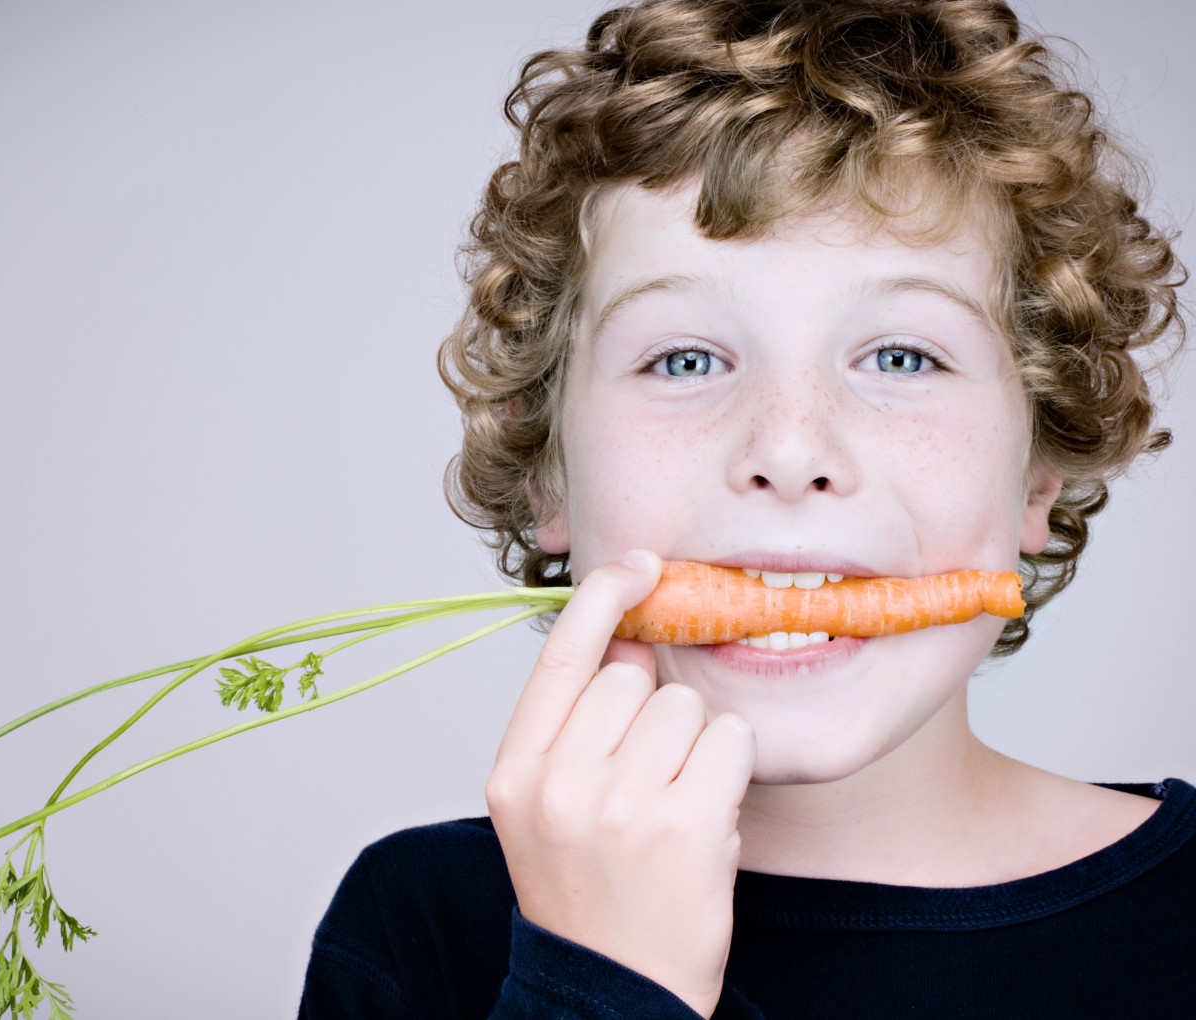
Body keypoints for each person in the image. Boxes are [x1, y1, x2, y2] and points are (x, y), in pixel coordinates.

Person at [299, 1, 1189, 1016]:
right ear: (547, 470)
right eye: (683, 358)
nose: (790, 450)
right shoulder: (420, 930)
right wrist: (599, 982)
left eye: (902, 356)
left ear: (1040, 474)